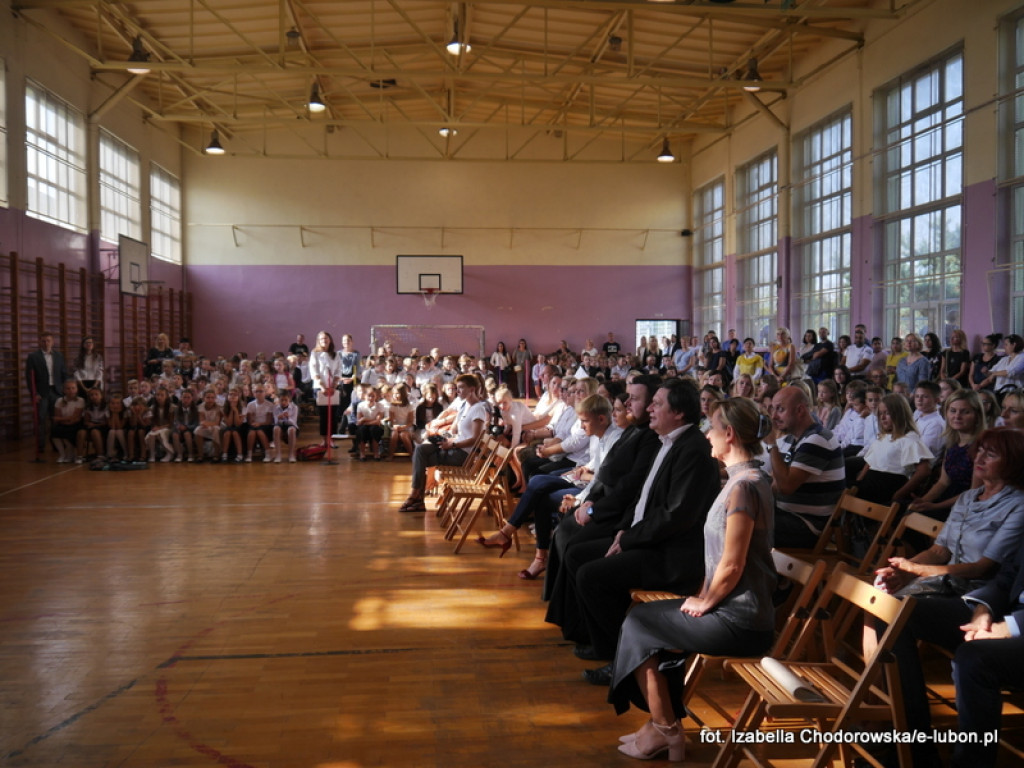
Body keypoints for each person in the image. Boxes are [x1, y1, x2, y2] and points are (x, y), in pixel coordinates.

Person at [607, 397, 776, 761]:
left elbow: (732, 564)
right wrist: (702, 595)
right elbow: (720, 563)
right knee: (647, 624)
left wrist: (706, 601)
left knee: (638, 623)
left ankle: (666, 729)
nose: (705, 433)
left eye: (711, 427)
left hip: (741, 620)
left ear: (728, 434)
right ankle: (660, 726)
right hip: (732, 609)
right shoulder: (743, 481)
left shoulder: (745, 487)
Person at [875, 428, 1024, 765]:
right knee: (882, 603)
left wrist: (920, 572)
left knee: (897, 615)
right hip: (966, 592)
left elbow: (985, 568)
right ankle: (904, 731)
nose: (980, 458)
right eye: (980, 451)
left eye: (991, 454)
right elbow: (940, 550)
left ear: (1013, 464)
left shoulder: (1019, 505)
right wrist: (905, 569)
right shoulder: (969, 498)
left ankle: (909, 738)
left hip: (970, 589)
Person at [560, 379, 720, 680]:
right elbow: (642, 498)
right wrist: (622, 531)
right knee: (577, 554)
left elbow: (675, 516)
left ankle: (623, 660)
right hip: (649, 540)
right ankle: (606, 644)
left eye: (657, 404)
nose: (649, 408)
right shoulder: (668, 441)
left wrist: (630, 539)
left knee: (591, 575)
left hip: (671, 555)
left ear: (679, 413)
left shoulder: (694, 451)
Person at [478, 394, 622, 580]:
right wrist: (586, 467)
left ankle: (532, 552)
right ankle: (515, 539)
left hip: (589, 489)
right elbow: (597, 461)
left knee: (542, 497)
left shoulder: (615, 437)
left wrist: (579, 497)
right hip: (582, 477)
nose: (582, 425)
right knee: (537, 481)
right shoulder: (600, 434)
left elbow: (600, 479)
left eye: (584, 421)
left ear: (601, 418)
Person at [953, 545, 1024, 767]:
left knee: (974, 660)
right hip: (1007, 611)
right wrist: (983, 611)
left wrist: (1009, 627)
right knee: (901, 615)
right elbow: (1006, 578)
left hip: (1017, 624)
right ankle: (912, 746)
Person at [766, 386, 845, 549]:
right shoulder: (792, 439)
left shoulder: (817, 439)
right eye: (773, 409)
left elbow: (785, 486)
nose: (773, 416)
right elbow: (775, 483)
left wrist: (772, 443)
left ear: (800, 410)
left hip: (808, 525)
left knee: (743, 523)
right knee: (737, 514)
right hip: (789, 515)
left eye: (780, 409)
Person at [399, 374, 488, 513]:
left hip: (463, 454)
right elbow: (456, 432)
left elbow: (476, 439)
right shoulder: (465, 406)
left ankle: (416, 496)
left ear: (472, 389)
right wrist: (446, 438)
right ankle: (416, 496)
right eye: (457, 388)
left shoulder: (478, 409)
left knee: (420, 456)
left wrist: (452, 445)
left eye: (461, 388)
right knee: (421, 450)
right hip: (454, 445)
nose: (458, 391)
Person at [908, 389, 986, 522]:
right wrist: (922, 501)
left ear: (977, 415)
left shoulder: (981, 447)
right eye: (953, 411)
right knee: (906, 512)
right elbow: (943, 482)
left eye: (965, 412)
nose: (957, 416)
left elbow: (974, 492)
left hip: (966, 507)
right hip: (947, 498)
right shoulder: (953, 444)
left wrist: (934, 506)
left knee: (914, 520)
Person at [855, 393, 933, 506]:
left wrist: (899, 494)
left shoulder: (909, 438)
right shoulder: (883, 436)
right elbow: (870, 463)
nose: (882, 417)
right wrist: (859, 482)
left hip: (888, 483)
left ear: (900, 414)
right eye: (880, 413)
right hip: (871, 480)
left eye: (887, 413)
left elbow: (924, 471)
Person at [25, 331, 68, 456]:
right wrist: (34, 393)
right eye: (43, 341)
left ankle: (56, 444)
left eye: (48, 340)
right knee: (41, 419)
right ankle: (41, 445)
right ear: (40, 342)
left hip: (56, 391)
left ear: (53, 342)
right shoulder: (33, 357)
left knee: (56, 419)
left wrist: (65, 391)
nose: (46, 343)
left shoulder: (59, 356)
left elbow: (63, 374)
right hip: (42, 393)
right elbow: (29, 377)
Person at [309, 330, 343, 437]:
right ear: (318, 340)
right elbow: (314, 370)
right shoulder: (315, 353)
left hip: (333, 387)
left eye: (326, 338)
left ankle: (332, 438)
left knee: (333, 414)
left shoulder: (336, 354)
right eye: (322, 338)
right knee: (324, 414)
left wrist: (333, 385)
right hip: (320, 387)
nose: (324, 340)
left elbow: (338, 370)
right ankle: (324, 439)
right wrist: (322, 386)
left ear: (330, 340)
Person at [272, 392, 299, 462]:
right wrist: (279, 418)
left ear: (289, 400)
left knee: (291, 430)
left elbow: (293, 422)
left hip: (291, 425)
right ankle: (278, 455)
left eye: (285, 400)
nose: (283, 402)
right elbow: (275, 422)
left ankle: (291, 454)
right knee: (276, 429)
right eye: (281, 400)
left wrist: (287, 417)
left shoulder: (294, 407)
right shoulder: (275, 407)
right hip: (280, 425)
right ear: (279, 400)